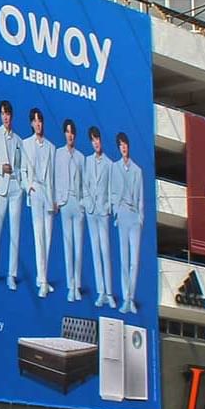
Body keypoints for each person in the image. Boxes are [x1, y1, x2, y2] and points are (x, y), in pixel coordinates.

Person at [0, 100, 24, 290]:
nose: (5, 116)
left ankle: (11, 275)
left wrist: (22, 184)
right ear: (0, 116)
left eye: (8, 113)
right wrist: (1, 168)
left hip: (16, 188)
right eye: (2, 113)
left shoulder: (18, 140)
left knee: (15, 232)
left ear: (12, 115)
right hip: (0, 186)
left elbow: (23, 166)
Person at [82, 126, 116, 309]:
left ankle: (109, 293)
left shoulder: (110, 164)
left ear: (101, 140)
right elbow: (84, 185)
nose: (96, 143)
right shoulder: (87, 161)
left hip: (103, 211)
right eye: (93, 140)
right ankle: (101, 292)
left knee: (105, 251)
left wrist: (108, 206)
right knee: (95, 251)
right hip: (91, 211)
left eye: (98, 139)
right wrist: (87, 203)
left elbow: (112, 189)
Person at [23, 107, 56, 298]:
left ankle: (42, 276)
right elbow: (22, 170)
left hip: (48, 194)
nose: (38, 123)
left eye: (40, 120)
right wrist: (29, 186)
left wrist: (56, 198)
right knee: (38, 237)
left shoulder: (51, 147)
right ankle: (43, 282)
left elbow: (53, 175)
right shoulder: (26, 144)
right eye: (34, 120)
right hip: (35, 191)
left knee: (48, 238)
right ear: (31, 123)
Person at [53, 118, 86, 302]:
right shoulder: (58, 154)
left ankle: (77, 285)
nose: (70, 135)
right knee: (68, 245)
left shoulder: (81, 157)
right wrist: (57, 200)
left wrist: (83, 203)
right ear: (64, 134)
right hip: (64, 203)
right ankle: (70, 285)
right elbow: (55, 178)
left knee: (78, 246)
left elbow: (86, 183)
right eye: (67, 131)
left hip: (77, 203)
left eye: (72, 132)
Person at [110, 131, 144, 313]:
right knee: (124, 259)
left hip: (134, 216)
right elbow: (112, 192)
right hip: (122, 214)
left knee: (135, 260)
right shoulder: (114, 168)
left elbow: (141, 199)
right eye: (120, 145)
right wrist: (116, 212)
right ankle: (126, 299)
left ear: (128, 146)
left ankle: (131, 297)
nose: (123, 148)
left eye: (125, 144)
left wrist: (140, 218)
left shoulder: (138, 170)